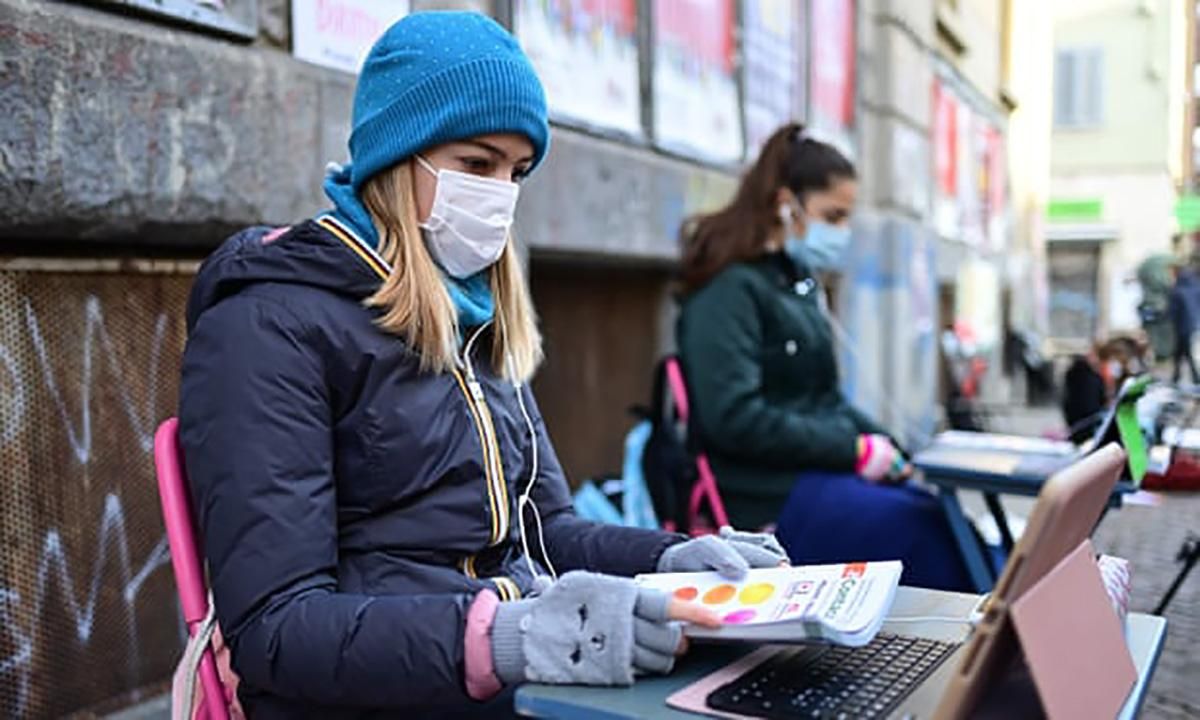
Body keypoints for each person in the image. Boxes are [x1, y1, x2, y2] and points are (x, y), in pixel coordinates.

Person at [178, 12, 789, 718]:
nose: (500, 194)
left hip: (508, 675)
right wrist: (513, 636)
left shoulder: (471, 312)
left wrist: (670, 561)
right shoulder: (268, 322)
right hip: (379, 696)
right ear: (397, 157)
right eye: (477, 164)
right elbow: (275, 629)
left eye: (517, 172)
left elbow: (547, 531)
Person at [675, 124, 974, 592]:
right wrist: (852, 450)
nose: (842, 232)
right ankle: (972, 651)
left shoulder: (797, 286)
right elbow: (734, 418)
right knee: (925, 532)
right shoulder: (729, 292)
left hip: (809, 476)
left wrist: (888, 445)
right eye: (833, 216)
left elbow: (827, 400)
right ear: (785, 203)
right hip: (761, 496)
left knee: (934, 512)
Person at [1168, 262, 1200, 384]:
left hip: (1182, 327)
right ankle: (1179, 376)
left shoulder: (1177, 290)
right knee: (1183, 352)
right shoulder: (1196, 286)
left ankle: (1183, 377)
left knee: (1184, 353)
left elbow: (1173, 311)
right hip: (1195, 325)